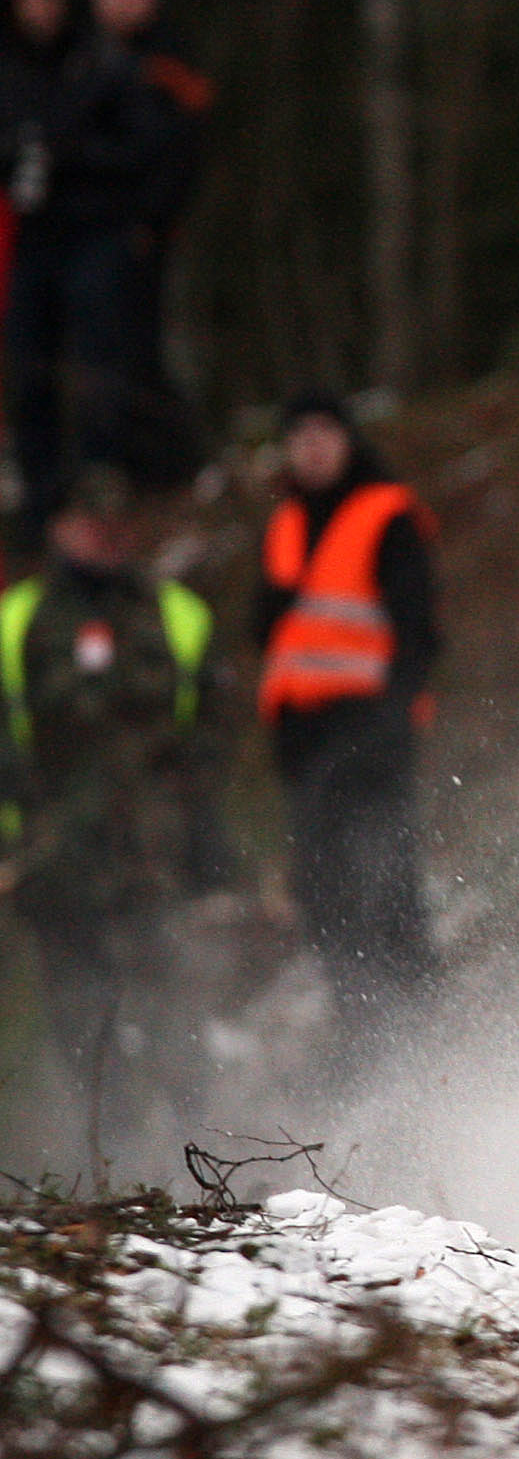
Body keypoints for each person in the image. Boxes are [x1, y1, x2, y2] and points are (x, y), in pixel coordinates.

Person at [0, 467, 220, 1171]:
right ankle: (114, 1166)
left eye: (113, 521)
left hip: (153, 858)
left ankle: (203, 1161)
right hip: (56, 862)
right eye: (87, 521)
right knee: (79, 1025)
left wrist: (200, 833)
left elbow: (209, 735)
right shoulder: (17, 620)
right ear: (60, 529)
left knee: (175, 1014)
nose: (102, 535)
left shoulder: (178, 612)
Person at [254, 394, 437, 1061]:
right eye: (298, 434)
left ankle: (419, 1043)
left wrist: (391, 723)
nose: (312, 447)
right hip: (305, 745)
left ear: (348, 440)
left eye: (324, 432)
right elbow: (274, 630)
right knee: (327, 903)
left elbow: (417, 631)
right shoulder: (287, 521)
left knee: (386, 892)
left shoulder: (385, 515)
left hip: (370, 738)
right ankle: (365, 1045)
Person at [1, 0, 187, 536]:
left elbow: (150, 149)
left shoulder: (105, 64)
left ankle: (106, 479)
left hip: (96, 232)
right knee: (29, 360)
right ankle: (40, 489)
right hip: (34, 234)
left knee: (101, 356)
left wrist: (76, 158)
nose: (37, 7)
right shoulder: (12, 69)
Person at [87, 0, 207, 485]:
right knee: (106, 348)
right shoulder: (89, 58)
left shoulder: (169, 59)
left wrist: (152, 219)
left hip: (144, 229)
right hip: (92, 230)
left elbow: (185, 148)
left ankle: (169, 462)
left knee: (141, 345)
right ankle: (123, 462)